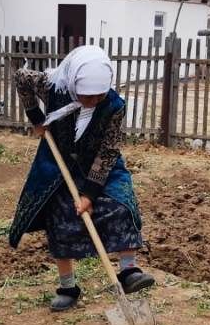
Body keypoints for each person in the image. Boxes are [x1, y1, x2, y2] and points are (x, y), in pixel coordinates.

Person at [8, 45, 154, 311]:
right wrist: (36, 117)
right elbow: (21, 78)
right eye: (87, 96)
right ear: (74, 82)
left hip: (98, 163)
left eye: (99, 96)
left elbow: (109, 150)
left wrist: (89, 194)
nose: (93, 102)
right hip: (58, 162)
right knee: (60, 217)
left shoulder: (113, 106)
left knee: (121, 204)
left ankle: (128, 272)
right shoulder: (52, 87)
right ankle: (68, 287)